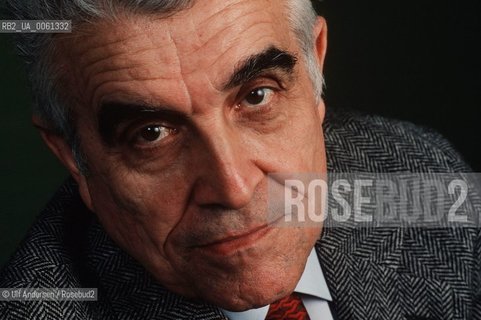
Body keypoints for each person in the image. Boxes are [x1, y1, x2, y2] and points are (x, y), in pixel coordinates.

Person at [0, 0, 479, 319]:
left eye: (256, 96)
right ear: (72, 156)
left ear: (314, 68)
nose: (234, 188)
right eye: (151, 133)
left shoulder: (419, 170)